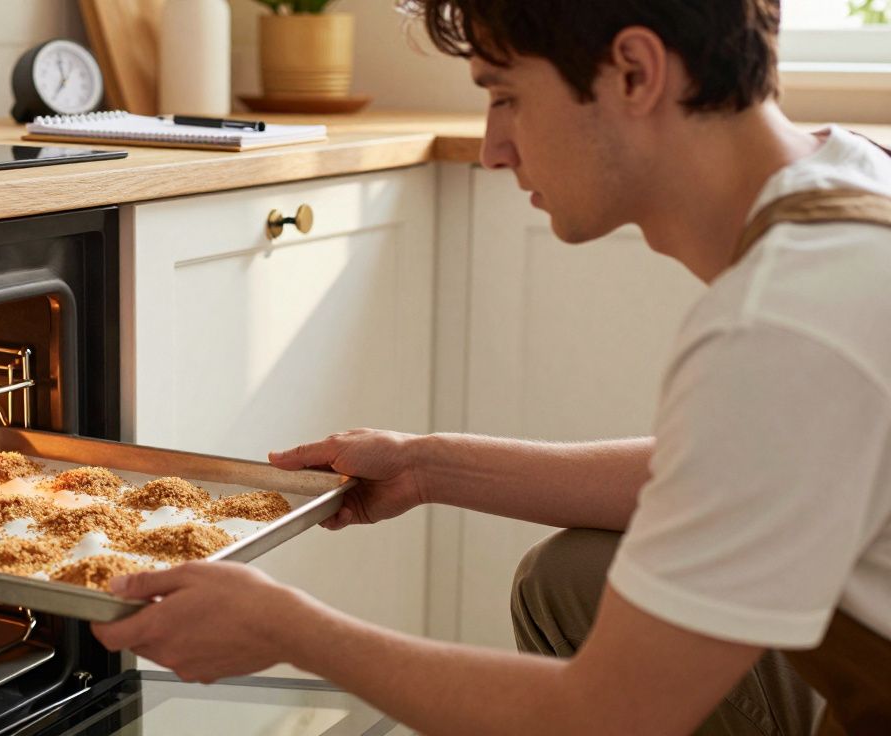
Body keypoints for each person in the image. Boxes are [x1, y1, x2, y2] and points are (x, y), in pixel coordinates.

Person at [92, 0, 891, 733]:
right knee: (573, 577)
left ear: (637, 73)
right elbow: (734, 471)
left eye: (505, 94)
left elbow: (605, 719)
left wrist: (291, 630)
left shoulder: (781, 325)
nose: (495, 148)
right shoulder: (851, 176)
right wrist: (427, 466)